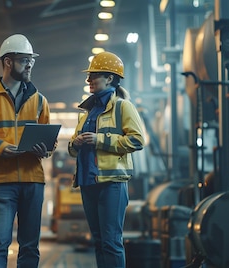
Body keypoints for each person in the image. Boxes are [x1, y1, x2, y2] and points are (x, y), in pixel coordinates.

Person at [0, 33, 54, 268]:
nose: (30, 65)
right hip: (1, 182)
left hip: (33, 180)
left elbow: (49, 140)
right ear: (8, 61)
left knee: (29, 245)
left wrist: (44, 148)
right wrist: (1, 147)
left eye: (31, 60)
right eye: (25, 60)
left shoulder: (39, 101)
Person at [68, 51, 146, 268]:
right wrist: (76, 144)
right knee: (100, 241)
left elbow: (137, 140)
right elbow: (72, 149)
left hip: (111, 183)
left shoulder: (122, 107)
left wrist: (100, 139)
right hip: (87, 182)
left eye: (94, 76)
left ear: (110, 78)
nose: (89, 80)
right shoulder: (86, 114)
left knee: (111, 242)